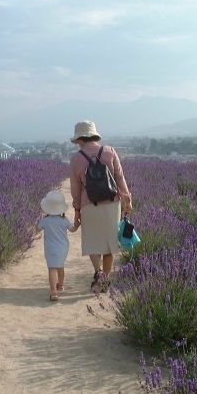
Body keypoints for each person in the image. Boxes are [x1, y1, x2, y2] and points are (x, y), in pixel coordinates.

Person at [69, 121, 132, 293]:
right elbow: (120, 178)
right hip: (112, 204)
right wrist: (128, 199)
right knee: (109, 243)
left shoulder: (76, 159)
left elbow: (75, 189)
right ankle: (105, 276)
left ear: (80, 138)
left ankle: (98, 274)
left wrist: (76, 210)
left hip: (89, 205)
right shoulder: (110, 151)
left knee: (93, 242)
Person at [37, 190, 80, 301]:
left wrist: (39, 220)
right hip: (63, 248)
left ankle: (53, 291)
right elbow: (73, 230)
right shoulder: (64, 220)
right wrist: (77, 224)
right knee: (60, 266)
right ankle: (60, 285)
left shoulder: (45, 220)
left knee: (52, 268)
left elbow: (37, 229)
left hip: (50, 248)